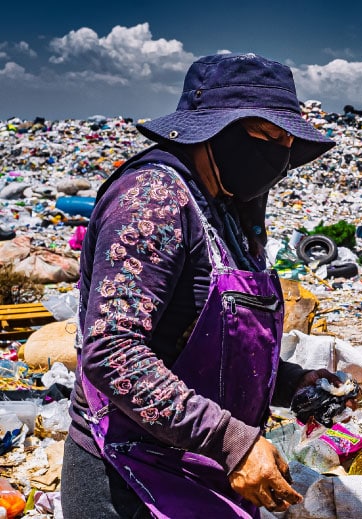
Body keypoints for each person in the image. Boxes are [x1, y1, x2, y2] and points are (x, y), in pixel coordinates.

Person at [61, 53, 337, 518]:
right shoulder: (152, 200)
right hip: (129, 478)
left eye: (288, 140)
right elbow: (112, 353)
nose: (281, 152)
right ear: (215, 130)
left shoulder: (230, 209)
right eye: (268, 136)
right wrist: (232, 441)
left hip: (199, 468)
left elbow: (212, 351)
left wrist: (294, 384)